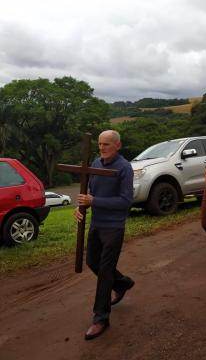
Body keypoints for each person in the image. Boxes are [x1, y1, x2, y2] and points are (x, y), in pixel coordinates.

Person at [74, 130, 134, 340]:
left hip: (114, 227)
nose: (102, 148)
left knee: (105, 271)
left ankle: (101, 318)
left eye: (106, 144)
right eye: (100, 144)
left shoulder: (124, 168)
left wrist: (94, 202)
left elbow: (126, 201)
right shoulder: (96, 164)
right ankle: (123, 283)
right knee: (92, 261)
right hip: (97, 225)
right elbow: (89, 193)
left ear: (118, 145)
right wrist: (82, 207)